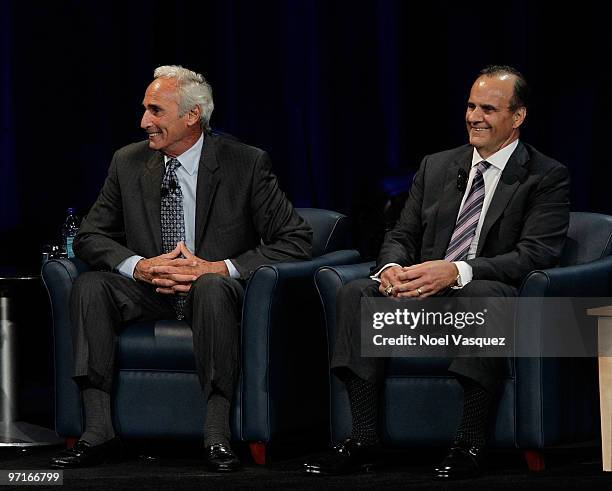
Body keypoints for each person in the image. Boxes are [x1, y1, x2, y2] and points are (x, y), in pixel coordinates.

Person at [304, 65, 570, 479]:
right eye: (470, 105)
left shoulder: (545, 176)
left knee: (485, 296)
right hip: (423, 296)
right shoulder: (437, 166)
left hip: (481, 296)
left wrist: (458, 271)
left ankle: (469, 444)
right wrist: (391, 268)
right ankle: (363, 440)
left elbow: (537, 255)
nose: (473, 116)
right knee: (357, 292)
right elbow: (402, 232)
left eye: (488, 109)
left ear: (517, 118)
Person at [50, 65, 312, 471]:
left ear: (193, 115)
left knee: (209, 287)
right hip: (151, 291)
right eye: (144, 110)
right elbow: (89, 236)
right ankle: (98, 432)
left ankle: (216, 435)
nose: (144, 122)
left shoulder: (245, 163)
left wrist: (220, 268)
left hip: (216, 295)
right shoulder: (128, 162)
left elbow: (295, 238)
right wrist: (139, 266)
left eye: (155, 111)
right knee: (91, 287)